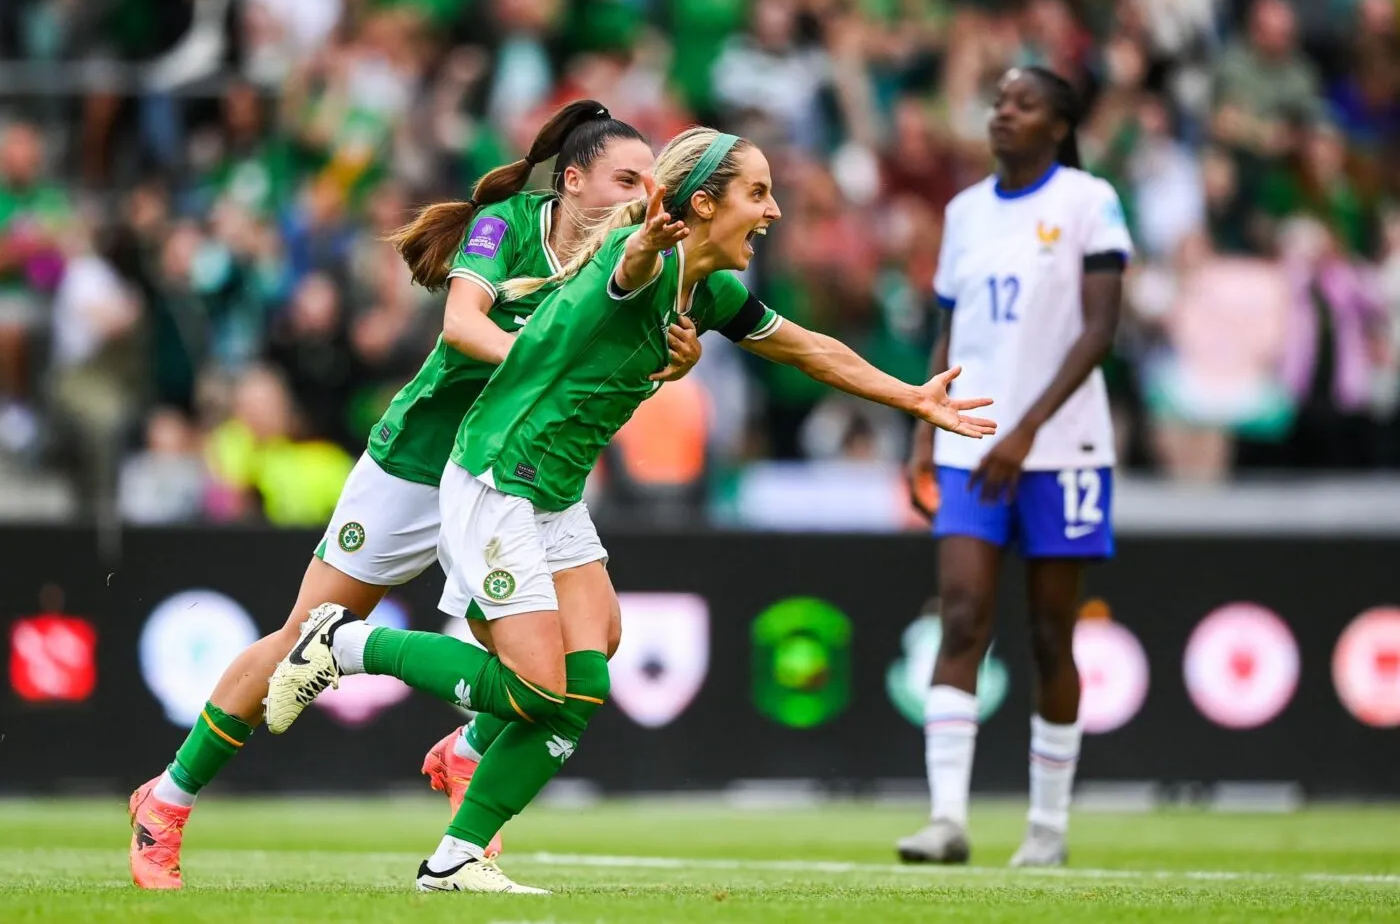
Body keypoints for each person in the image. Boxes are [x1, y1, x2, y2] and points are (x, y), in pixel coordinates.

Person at [263, 125, 998, 894]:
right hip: (498, 475)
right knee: (537, 688)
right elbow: (632, 263)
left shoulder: (708, 292)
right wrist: (647, 238)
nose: (774, 210)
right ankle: (344, 648)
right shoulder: (640, 258)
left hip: (552, 489)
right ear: (704, 203)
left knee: (587, 676)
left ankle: (454, 858)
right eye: (758, 193)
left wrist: (911, 396)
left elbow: (808, 348)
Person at [126, 100, 701, 890]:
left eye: (650, 183)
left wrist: (677, 354)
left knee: (582, 649)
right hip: (421, 463)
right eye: (625, 179)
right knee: (307, 630)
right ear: (572, 181)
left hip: (514, 475)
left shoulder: (637, 260)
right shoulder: (504, 225)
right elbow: (462, 328)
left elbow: (636, 363)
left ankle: (464, 755)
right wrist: (545, 372)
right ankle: (167, 797)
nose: (643, 197)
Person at [896, 67, 1131, 868]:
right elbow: (950, 330)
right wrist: (924, 432)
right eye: (997, 102)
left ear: (1059, 126)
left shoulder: (1088, 202)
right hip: (968, 439)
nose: (1003, 114)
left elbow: (1100, 331)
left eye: (1023, 104)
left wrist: (1027, 429)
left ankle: (1048, 828)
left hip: (1060, 449)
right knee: (961, 613)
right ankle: (946, 819)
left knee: (1049, 632)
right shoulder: (964, 213)